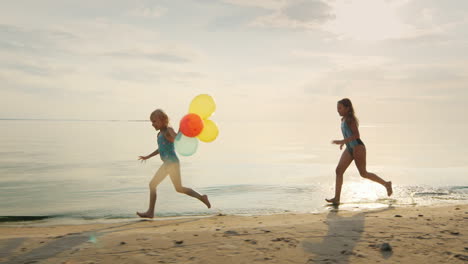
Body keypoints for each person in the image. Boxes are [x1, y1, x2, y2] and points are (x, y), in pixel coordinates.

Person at [137, 109, 211, 218]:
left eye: (154, 121)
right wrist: (148, 156)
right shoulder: (159, 134)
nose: (152, 124)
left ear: (163, 120)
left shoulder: (168, 130)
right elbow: (160, 149)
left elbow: (177, 139)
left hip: (171, 163)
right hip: (171, 163)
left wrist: (181, 131)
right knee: (179, 188)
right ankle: (202, 197)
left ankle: (150, 212)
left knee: (152, 184)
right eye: (151, 122)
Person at [326, 98, 392, 205]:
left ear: (347, 108)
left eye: (340, 108)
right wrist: (344, 143)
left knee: (363, 173)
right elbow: (348, 134)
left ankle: (386, 184)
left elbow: (357, 135)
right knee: (339, 171)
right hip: (350, 148)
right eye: (337, 108)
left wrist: (343, 140)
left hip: (358, 148)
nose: (338, 110)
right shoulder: (343, 120)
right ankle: (337, 198)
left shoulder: (350, 119)